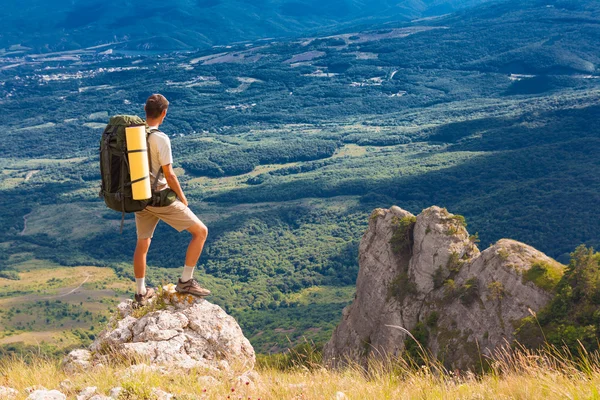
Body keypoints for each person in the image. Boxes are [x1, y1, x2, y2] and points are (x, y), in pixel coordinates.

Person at [132, 94, 210, 305]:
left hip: (139, 197)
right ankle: (186, 281)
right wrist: (182, 198)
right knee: (201, 232)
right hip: (159, 198)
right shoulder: (160, 138)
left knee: (143, 242)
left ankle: (140, 293)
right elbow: (169, 174)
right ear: (164, 113)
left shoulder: (133, 135)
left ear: (145, 111)